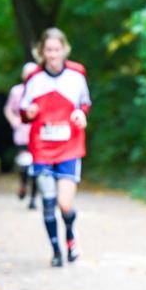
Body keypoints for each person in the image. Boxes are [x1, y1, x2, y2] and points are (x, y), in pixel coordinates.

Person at [19, 28, 91, 268]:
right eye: (48, 50)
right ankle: (56, 251)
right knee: (48, 201)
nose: (52, 55)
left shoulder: (76, 74)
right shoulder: (34, 78)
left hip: (70, 147)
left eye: (56, 50)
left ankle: (70, 235)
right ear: (42, 51)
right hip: (42, 148)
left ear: (64, 50)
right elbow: (24, 111)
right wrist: (29, 113)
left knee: (65, 203)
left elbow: (84, 103)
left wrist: (81, 114)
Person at [4, 65, 38, 208]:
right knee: (25, 165)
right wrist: (14, 121)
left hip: (39, 135)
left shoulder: (42, 90)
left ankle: (33, 199)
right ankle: (23, 185)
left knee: (37, 167)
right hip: (22, 134)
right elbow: (8, 109)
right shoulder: (16, 91)